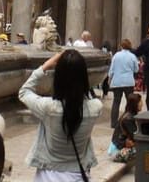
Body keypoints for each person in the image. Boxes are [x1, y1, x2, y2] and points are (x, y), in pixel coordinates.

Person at [19, 49, 104, 180]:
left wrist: (45, 66)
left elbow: (24, 92)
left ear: (58, 77)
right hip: (78, 175)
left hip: (48, 176)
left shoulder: (48, 108)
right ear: (84, 76)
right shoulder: (96, 107)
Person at [107, 39, 138, 128]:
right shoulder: (132, 56)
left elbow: (112, 69)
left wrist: (109, 78)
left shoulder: (116, 55)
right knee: (130, 102)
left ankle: (113, 123)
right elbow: (136, 69)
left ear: (121, 46)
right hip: (128, 81)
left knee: (116, 102)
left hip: (117, 81)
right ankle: (128, 121)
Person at [111, 92, 141, 162]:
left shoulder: (130, 115)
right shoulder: (128, 118)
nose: (141, 104)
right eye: (140, 102)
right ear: (135, 104)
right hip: (118, 150)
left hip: (121, 146)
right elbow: (135, 136)